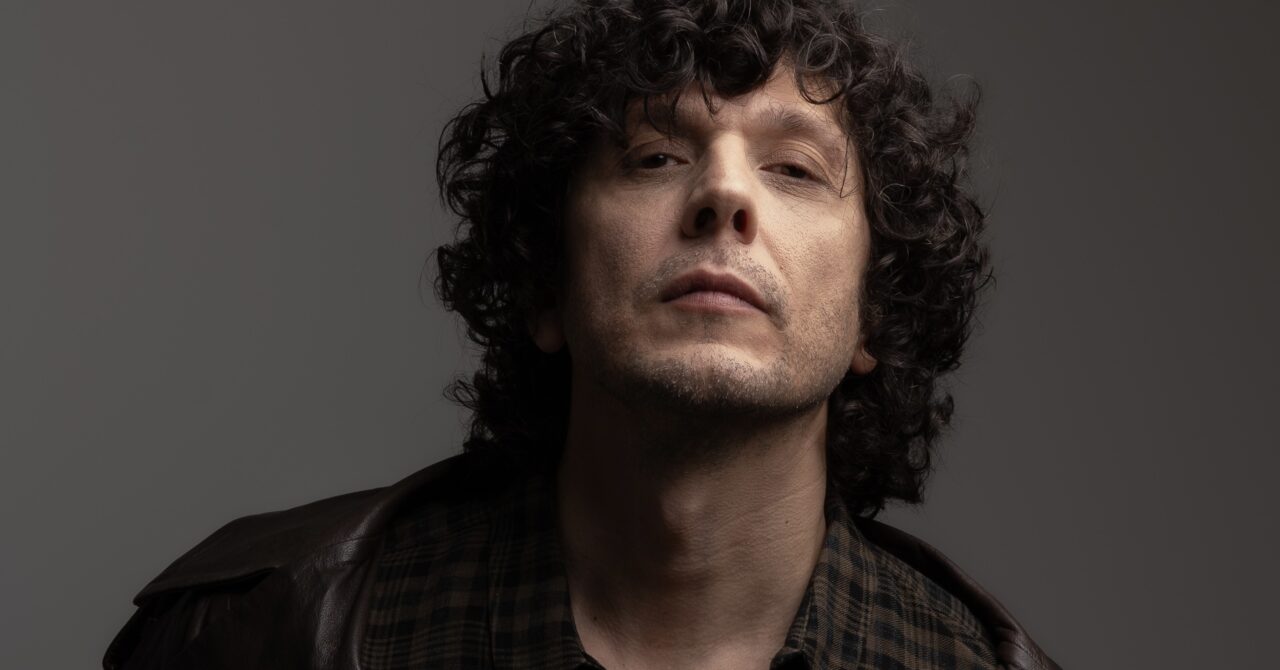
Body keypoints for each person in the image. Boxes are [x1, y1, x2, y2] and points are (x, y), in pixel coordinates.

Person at [104, 1, 1061, 668]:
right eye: (655, 156)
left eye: (796, 170)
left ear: (872, 314)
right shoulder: (254, 635)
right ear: (546, 284)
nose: (724, 192)